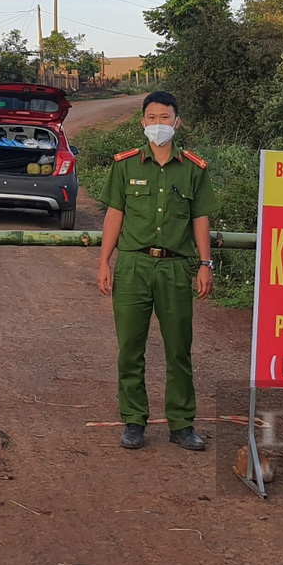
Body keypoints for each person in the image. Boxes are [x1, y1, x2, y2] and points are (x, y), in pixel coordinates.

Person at [96, 91, 220, 452]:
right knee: (130, 348)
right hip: (134, 265)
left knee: (178, 349)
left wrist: (205, 264)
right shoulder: (126, 165)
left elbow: (200, 218)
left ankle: (182, 424)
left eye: (165, 118)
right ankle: (133, 420)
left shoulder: (194, 169)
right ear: (142, 123)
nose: (158, 125)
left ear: (177, 123)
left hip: (176, 267)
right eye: (151, 118)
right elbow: (114, 215)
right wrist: (104, 261)